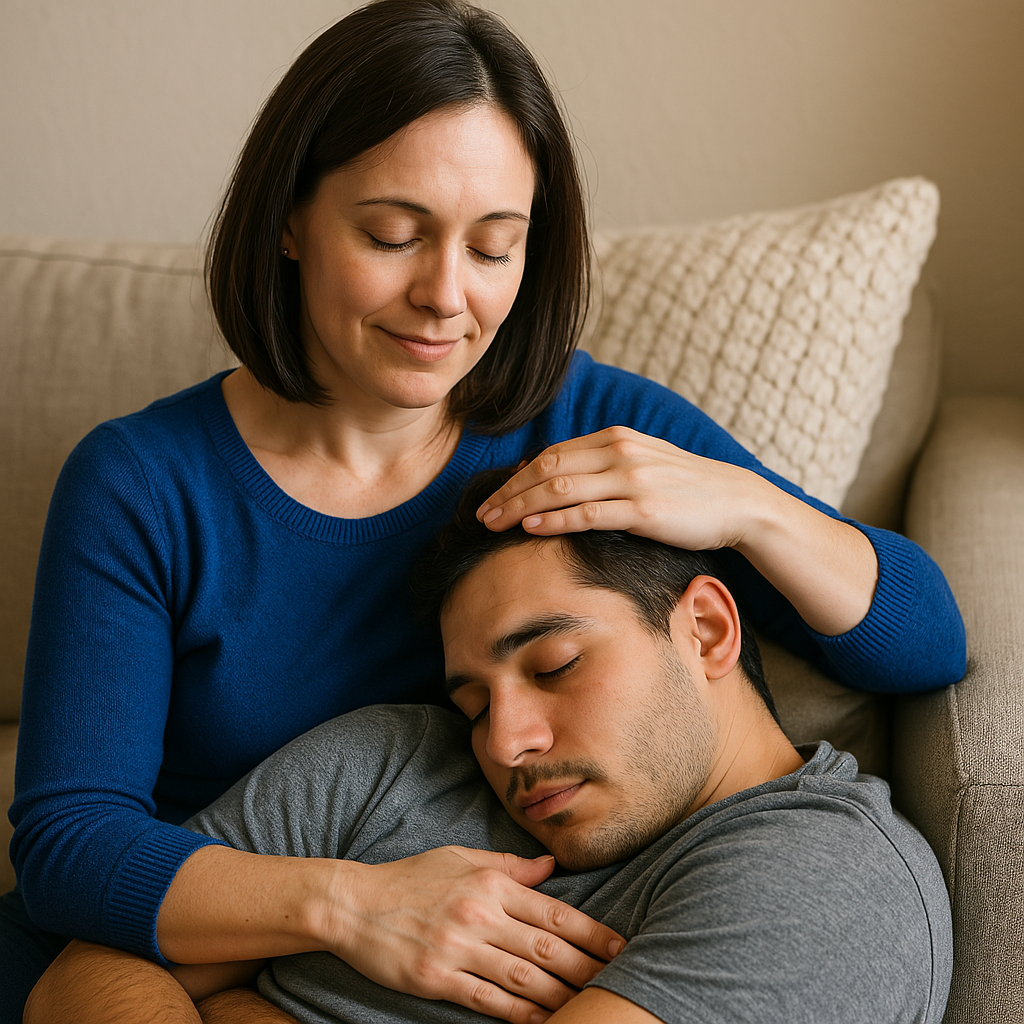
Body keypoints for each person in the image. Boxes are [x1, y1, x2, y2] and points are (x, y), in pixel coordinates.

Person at [3, 0, 967, 1020]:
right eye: (392, 234)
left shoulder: (590, 428)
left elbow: (923, 646)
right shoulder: (145, 482)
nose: (444, 296)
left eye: (494, 246)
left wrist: (747, 507)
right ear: (290, 219)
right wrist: (351, 906)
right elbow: (70, 845)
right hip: (179, 943)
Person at [25, 468, 954, 1023]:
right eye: (472, 699)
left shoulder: (823, 876)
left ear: (708, 632)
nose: (504, 742)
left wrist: (237, 1008)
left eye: (553, 665)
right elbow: (88, 976)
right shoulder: (392, 756)